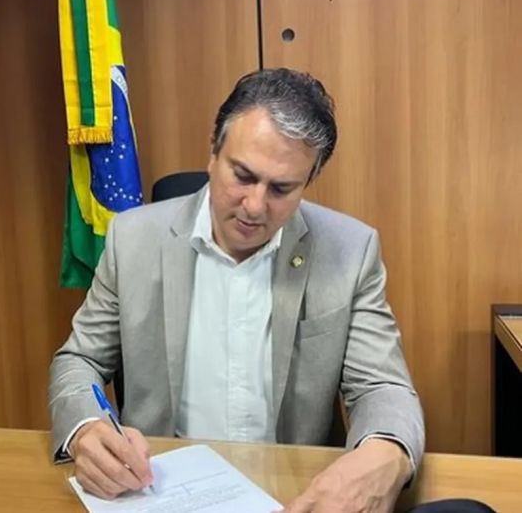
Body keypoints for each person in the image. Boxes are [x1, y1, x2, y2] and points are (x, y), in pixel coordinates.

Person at [49, 68, 425, 512]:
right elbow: (80, 360)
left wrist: (387, 452)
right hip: (158, 489)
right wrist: (86, 428)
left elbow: (382, 386)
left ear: (307, 182)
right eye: (243, 176)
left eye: (281, 188)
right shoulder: (133, 239)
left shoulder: (350, 251)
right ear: (214, 151)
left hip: (293, 493)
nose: (255, 206)